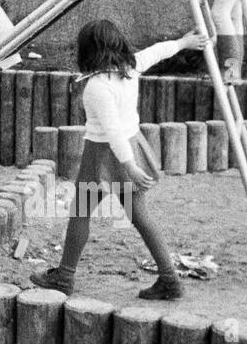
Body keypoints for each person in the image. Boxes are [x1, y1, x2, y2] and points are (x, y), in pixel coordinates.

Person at [31, 19, 208, 300]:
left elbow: (112, 131)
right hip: (131, 145)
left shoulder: (97, 87)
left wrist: (130, 167)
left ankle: (64, 277)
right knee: (139, 215)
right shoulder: (131, 68)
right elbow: (157, 51)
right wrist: (184, 43)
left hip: (104, 154)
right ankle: (169, 279)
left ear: (87, 52)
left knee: (81, 212)